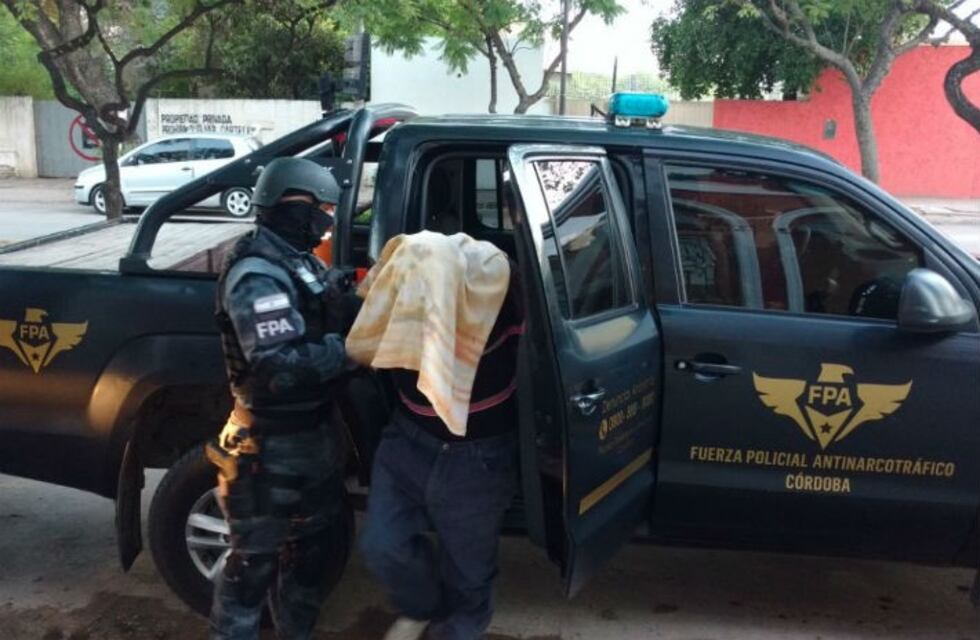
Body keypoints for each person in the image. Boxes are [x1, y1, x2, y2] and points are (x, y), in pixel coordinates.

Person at [208, 157, 353, 640]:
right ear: (293, 203)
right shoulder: (256, 274)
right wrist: (350, 351)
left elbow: (323, 292)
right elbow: (278, 367)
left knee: (309, 565)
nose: (326, 220)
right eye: (321, 208)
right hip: (267, 448)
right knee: (251, 573)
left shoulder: (296, 257)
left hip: (311, 442)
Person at [354, 235, 525, 640]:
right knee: (382, 546)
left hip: (477, 459)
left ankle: (455, 630)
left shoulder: (498, 297)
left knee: (469, 577)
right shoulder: (400, 292)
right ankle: (422, 605)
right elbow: (363, 329)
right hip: (407, 442)